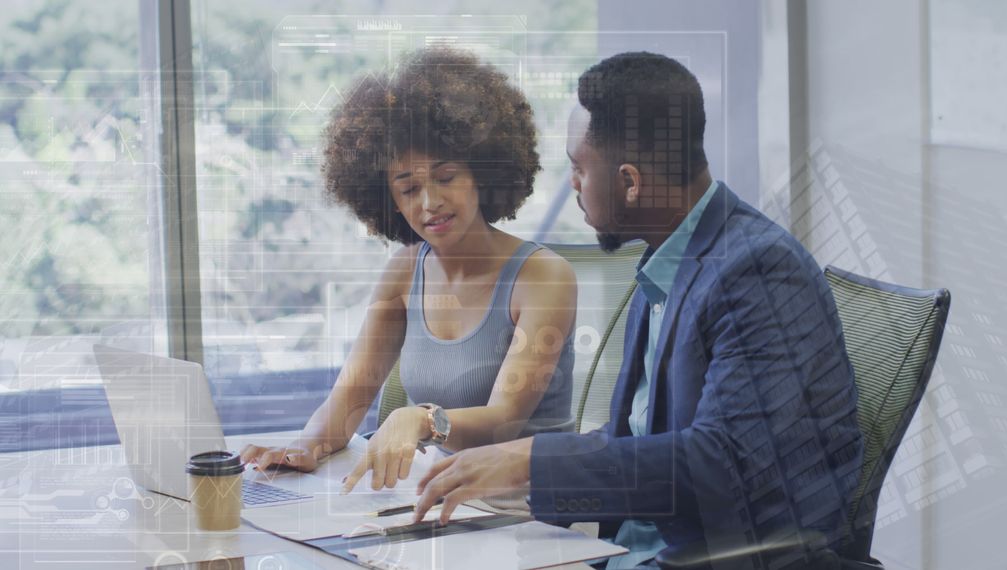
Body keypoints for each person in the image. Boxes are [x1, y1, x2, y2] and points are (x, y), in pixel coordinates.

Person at [412, 52, 864, 567]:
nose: (572, 185)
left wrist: (532, 460)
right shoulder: (666, 259)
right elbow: (644, 440)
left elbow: (723, 464)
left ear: (630, 181)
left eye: (579, 168)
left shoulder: (758, 270)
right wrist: (510, 487)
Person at [239, 48, 577, 495]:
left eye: (446, 177)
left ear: (482, 172)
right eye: (409, 188)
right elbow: (350, 396)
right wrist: (307, 445)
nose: (429, 202)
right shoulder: (404, 270)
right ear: (389, 202)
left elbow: (503, 421)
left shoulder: (544, 277)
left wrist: (422, 418)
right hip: (438, 496)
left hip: (528, 508)